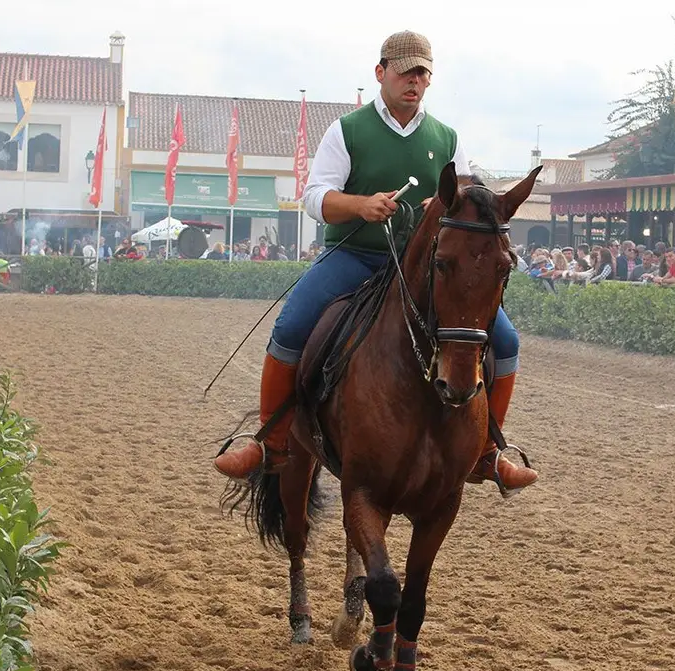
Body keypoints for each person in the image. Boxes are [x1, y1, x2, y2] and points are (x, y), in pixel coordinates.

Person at [212, 29, 536, 494]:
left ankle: (488, 451)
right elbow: (314, 196)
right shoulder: (347, 130)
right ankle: (271, 441)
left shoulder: (447, 137)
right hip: (355, 256)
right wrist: (361, 205)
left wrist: (440, 206)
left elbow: (464, 198)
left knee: (504, 340)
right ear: (381, 73)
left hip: (423, 270)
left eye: (423, 73)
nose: (415, 81)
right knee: (289, 327)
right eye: (406, 71)